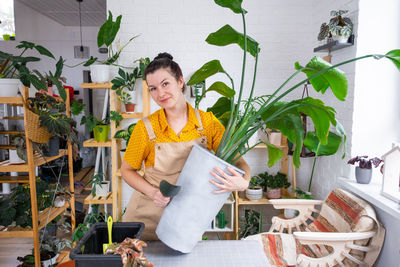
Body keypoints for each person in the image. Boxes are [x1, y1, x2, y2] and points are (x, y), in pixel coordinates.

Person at [121, 52, 251, 240]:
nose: (160, 93)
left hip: (184, 221)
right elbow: (127, 170)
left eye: (165, 84)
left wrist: (244, 181)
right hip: (146, 218)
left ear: (180, 81)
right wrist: (153, 192)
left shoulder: (208, 123)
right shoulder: (146, 128)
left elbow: (239, 162)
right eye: (153, 88)